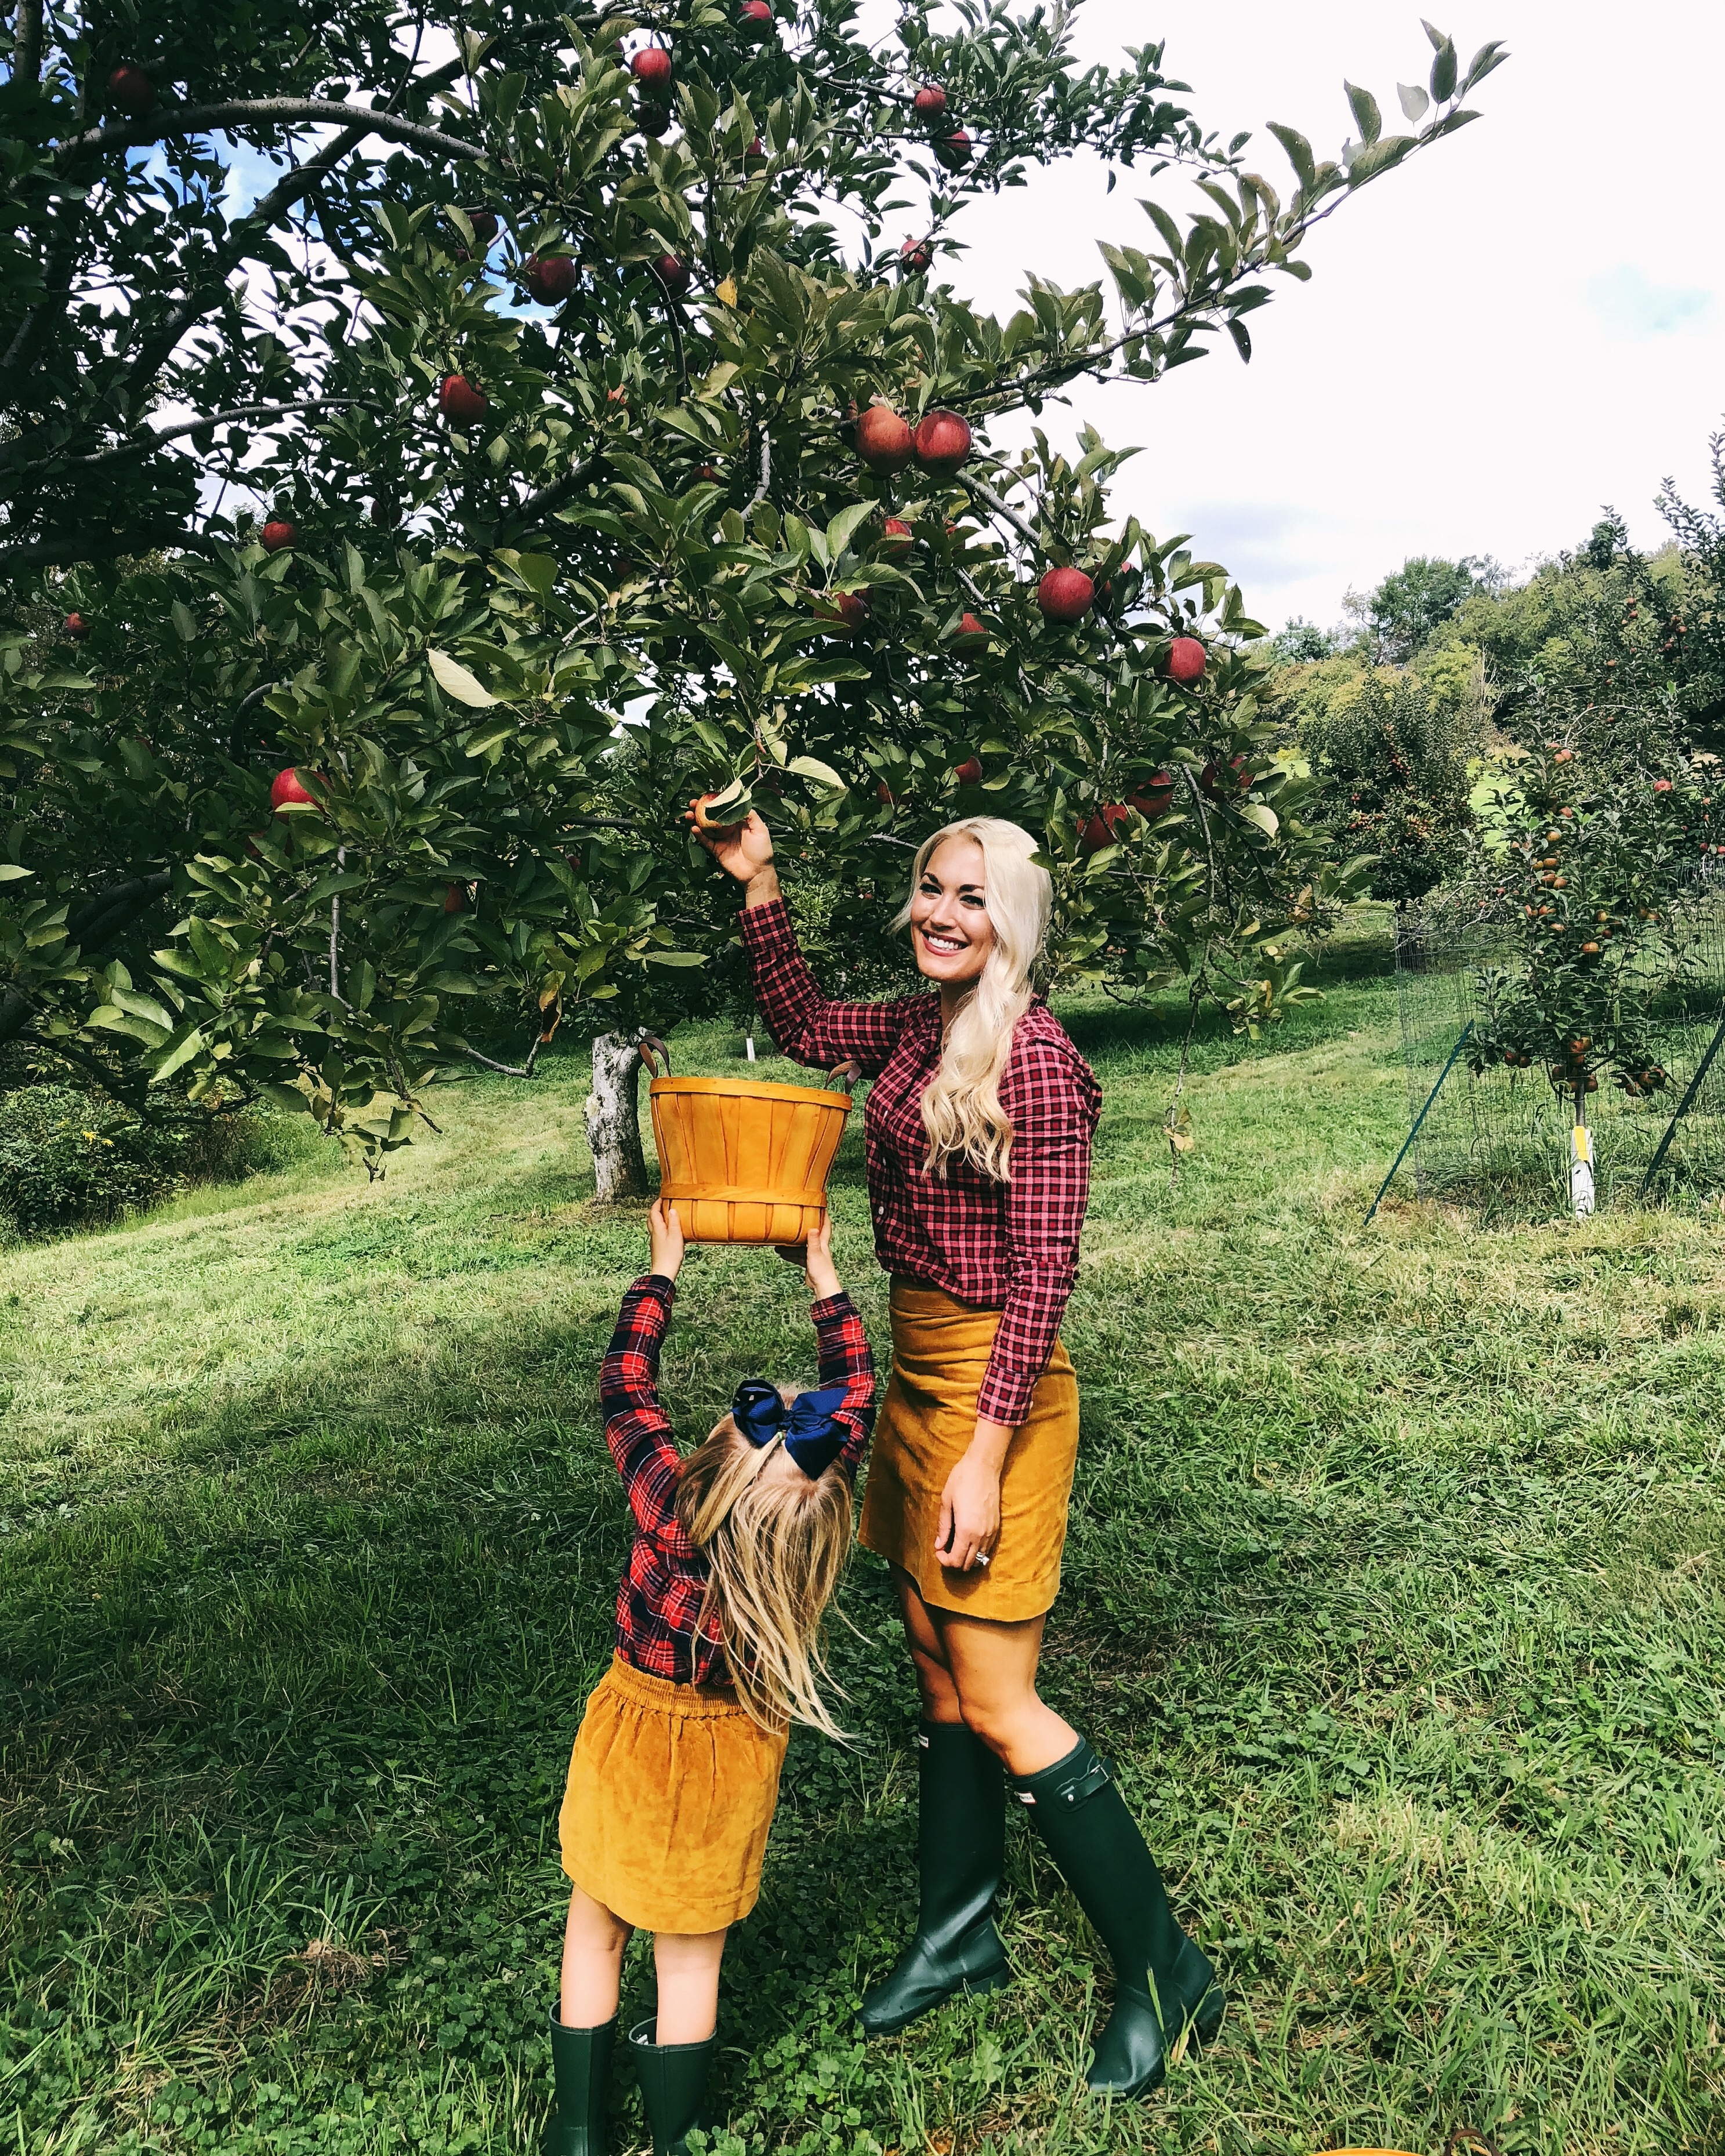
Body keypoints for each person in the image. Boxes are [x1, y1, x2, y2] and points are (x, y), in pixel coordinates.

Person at [692, 805, 1223, 2099]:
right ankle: (956, 1934)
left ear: (1014, 920)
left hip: (999, 1391)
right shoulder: (916, 1024)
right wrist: (758, 880)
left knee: (999, 1696)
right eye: (930, 885)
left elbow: (1046, 1273)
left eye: (970, 896)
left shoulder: (1034, 1060)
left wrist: (984, 1455)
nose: (939, 910)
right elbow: (813, 1030)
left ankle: (1166, 1968)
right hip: (917, 1379)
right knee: (937, 1673)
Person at [545, 1201, 876, 2156]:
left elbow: (624, 1386)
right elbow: (854, 1391)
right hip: (733, 1755)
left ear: (707, 1467)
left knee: (595, 1924)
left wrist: (662, 1271)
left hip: (631, 1741)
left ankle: (578, 2134)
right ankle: (678, 2137)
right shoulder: (803, 1527)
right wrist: (824, 1276)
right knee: (689, 1964)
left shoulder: (668, 1507)